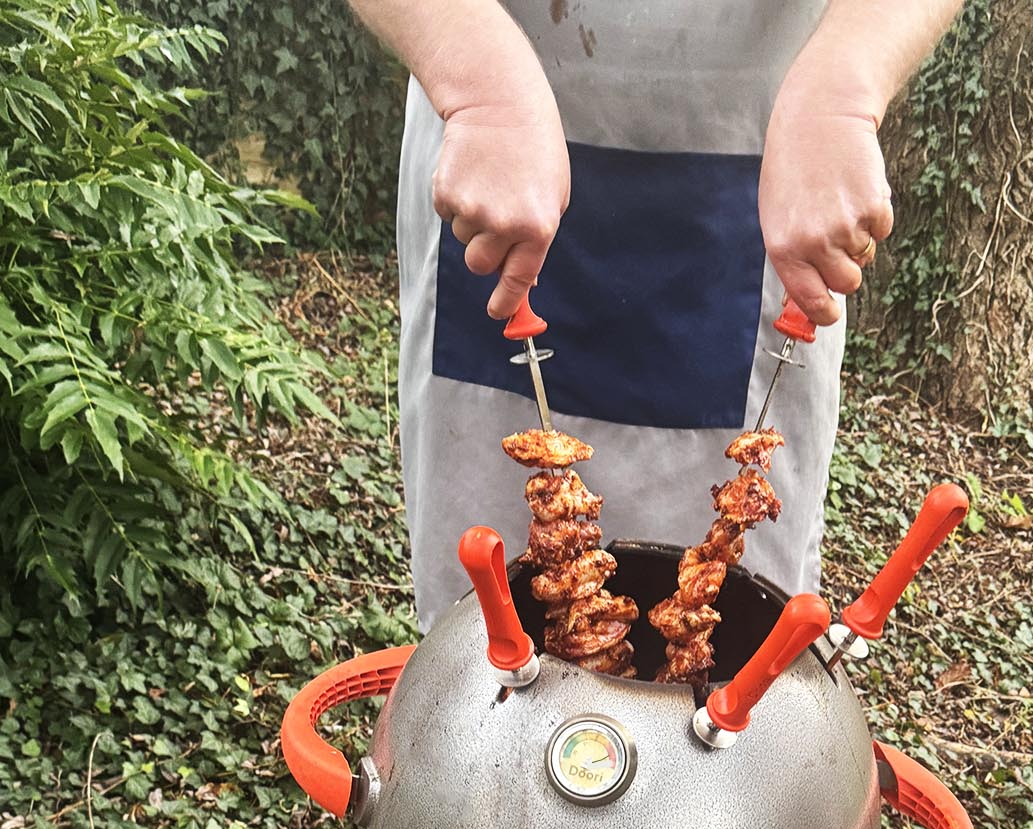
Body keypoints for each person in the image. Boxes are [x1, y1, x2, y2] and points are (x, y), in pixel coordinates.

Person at [348, 0, 964, 634]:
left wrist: (845, 92)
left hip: (772, 162)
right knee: (478, 648)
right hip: (490, 153)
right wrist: (478, 89)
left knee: (740, 646)